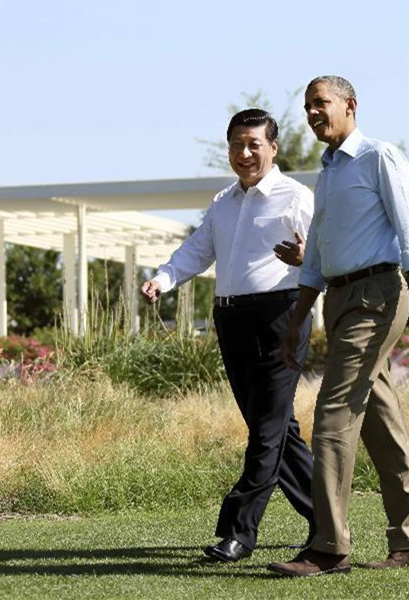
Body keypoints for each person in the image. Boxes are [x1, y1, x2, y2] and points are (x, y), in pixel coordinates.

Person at [267, 76, 409, 577]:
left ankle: (328, 547)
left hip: (378, 296)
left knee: (334, 412)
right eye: (307, 106)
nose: (312, 113)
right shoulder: (328, 172)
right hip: (341, 299)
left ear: (350, 105)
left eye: (321, 103)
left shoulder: (379, 157)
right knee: (381, 420)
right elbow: (316, 254)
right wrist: (298, 318)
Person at [140, 108, 316, 563]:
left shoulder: (297, 197)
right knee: (274, 429)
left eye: (254, 144)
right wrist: (164, 278)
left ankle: (239, 531)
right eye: (237, 145)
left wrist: (307, 257)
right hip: (232, 320)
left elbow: (326, 254)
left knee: (267, 431)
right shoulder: (223, 201)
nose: (245, 153)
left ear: (273, 148)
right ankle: (327, 519)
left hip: (282, 317)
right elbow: (198, 250)